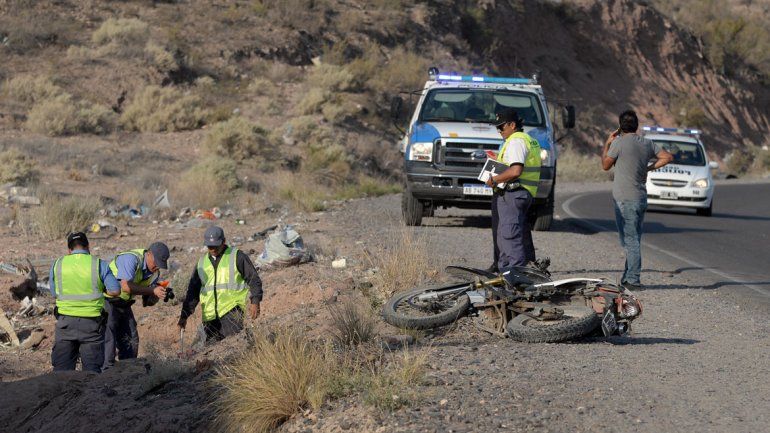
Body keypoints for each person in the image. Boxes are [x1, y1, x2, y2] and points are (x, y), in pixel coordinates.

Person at [601, 110, 673, 290]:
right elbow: (667, 157)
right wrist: (648, 168)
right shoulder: (647, 143)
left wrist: (607, 143)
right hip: (640, 197)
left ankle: (633, 279)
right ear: (636, 126)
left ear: (620, 126)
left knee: (630, 241)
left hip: (624, 199)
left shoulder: (618, 143)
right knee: (634, 239)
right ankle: (628, 277)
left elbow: (605, 165)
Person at [49, 232, 121, 373]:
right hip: (92, 325)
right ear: (88, 246)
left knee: (61, 372)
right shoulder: (98, 264)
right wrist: (101, 290)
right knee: (91, 372)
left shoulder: (58, 264)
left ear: (69, 250)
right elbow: (115, 290)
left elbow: (54, 293)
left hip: (65, 324)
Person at [178, 226, 263, 342]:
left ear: (223, 241)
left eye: (216, 246)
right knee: (211, 350)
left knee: (232, 345)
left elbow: (253, 279)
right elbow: (192, 293)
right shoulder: (201, 263)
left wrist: (255, 301)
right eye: (210, 247)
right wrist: (184, 316)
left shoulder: (236, 256)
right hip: (209, 317)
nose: (213, 249)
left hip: (232, 312)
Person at [485, 109, 541, 274]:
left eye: (501, 127)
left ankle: (516, 273)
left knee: (510, 236)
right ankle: (505, 272)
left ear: (512, 125)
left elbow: (516, 170)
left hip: (514, 192)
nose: (499, 130)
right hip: (518, 193)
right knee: (504, 235)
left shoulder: (516, 141)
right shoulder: (525, 140)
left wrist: (495, 179)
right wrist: (497, 160)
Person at [102, 242, 171, 371]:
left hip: (124, 303)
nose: (156, 267)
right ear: (149, 254)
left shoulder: (155, 274)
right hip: (107, 300)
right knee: (109, 337)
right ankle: (106, 371)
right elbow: (125, 286)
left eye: (160, 265)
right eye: (155, 263)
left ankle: (128, 370)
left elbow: (148, 302)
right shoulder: (131, 259)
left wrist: (159, 293)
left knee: (131, 338)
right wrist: (152, 290)